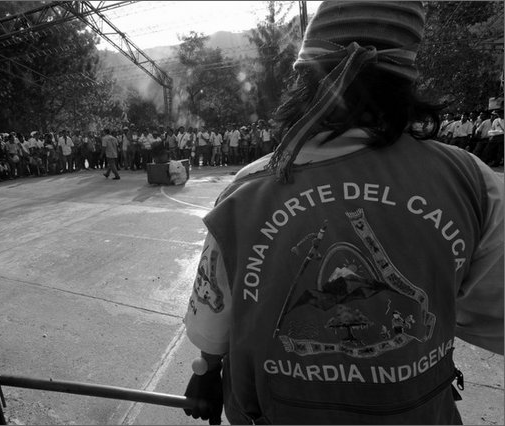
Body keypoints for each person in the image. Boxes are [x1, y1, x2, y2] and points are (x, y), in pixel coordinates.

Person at [182, 2, 504, 425]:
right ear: (405, 82)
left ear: (306, 80)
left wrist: (206, 372)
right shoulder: (471, 179)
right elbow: (494, 318)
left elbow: (211, 328)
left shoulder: (250, 188)